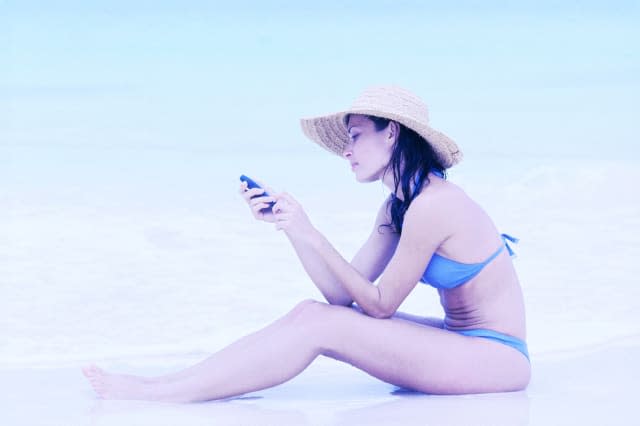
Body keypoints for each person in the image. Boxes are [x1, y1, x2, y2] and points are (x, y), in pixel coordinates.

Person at [83, 86, 530, 402]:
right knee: (312, 314)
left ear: (391, 132)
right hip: (462, 342)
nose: (347, 152)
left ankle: (171, 394)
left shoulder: (433, 206)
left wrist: (314, 232)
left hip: (497, 357)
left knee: (322, 325)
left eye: (355, 136)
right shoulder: (398, 207)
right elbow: (340, 296)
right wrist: (294, 229)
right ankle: (167, 385)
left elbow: (378, 305)